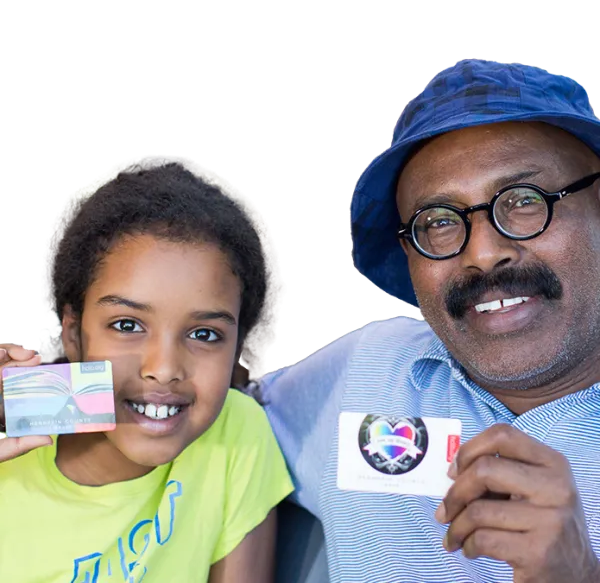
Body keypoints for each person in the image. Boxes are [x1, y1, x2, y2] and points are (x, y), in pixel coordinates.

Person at [261, 59, 600, 582]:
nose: (484, 254)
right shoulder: (364, 370)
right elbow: (189, 406)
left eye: (524, 201)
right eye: (439, 222)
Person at [0, 162, 293, 582]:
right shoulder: (9, 458)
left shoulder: (236, 432)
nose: (164, 369)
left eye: (205, 334)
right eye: (127, 325)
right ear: (73, 334)